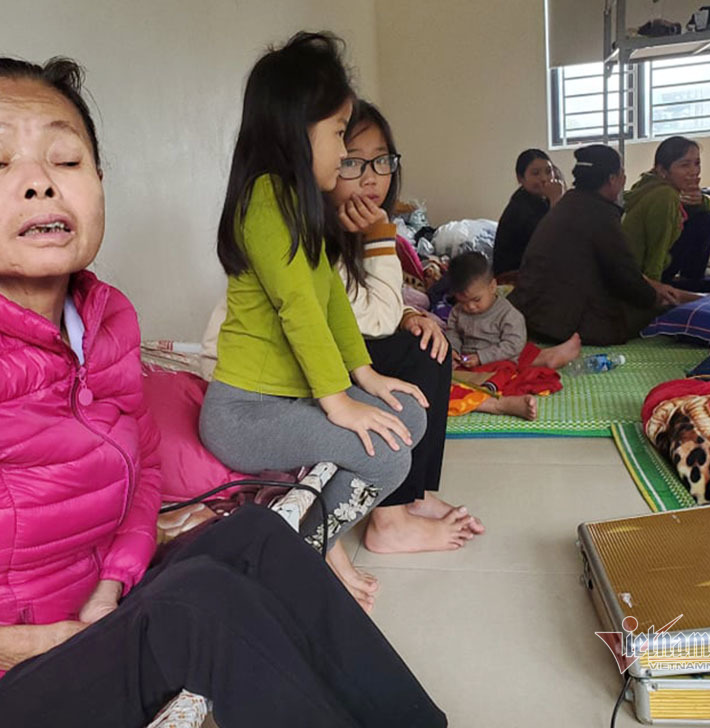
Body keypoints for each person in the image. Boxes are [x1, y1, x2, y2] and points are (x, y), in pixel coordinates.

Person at [0, 47, 447, 728]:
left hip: (73, 632)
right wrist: (10, 644)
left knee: (255, 533)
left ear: (98, 182)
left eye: (67, 158)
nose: (40, 180)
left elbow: (141, 470)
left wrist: (114, 582)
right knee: (198, 607)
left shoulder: (103, 321)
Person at [199, 33, 431, 612]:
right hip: (245, 411)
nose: (343, 151)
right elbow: (297, 310)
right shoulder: (265, 202)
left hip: (291, 399)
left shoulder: (301, 209)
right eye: (336, 134)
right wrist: (339, 400)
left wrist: (367, 378)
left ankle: (309, 530)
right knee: (390, 455)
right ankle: (302, 548)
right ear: (295, 131)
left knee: (408, 413)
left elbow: (328, 302)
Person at [328, 100, 485, 552]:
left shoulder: (366, 222)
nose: (372, 175)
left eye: (382, 160)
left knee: (429, 344)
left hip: (350, 337)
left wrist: (412, 315)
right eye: (354, 162)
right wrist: (380, 240)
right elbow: (364, 317)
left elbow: (378, 305)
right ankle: (389, 519)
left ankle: (413, 494)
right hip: (317, 357)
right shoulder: (325, 229)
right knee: (409, 358)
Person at [509, 145, 673, 346]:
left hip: (530, 315)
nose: (624, 178)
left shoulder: (569, 203)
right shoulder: (599, 213)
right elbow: (624, 275)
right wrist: (654, 298)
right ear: (612, 179)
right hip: (561, 325)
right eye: (621, 173)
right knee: (661, 307)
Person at [445, 252, 580, 421]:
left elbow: (513, 344)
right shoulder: (458, 311)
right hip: (467, 363)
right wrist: (454, 350)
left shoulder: (508, 314)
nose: (470, 307)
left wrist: (482, 357)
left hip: (497, 360)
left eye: (476, 299)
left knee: (512, 363)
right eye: (463, 302)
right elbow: (452, 332)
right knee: (444, 376)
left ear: (492, 286)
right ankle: (546, 358)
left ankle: (545, 360)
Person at [622, 136, 710, 292]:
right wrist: (654, 292)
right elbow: (657, 249)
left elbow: (705, 209)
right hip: (641, 278)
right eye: (684, 165)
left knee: (705, 219)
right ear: (663, 170)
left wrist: (700, 200)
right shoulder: (665, 195)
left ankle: (690, 280)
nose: (693, 171)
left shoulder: (652, 183)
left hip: (650, 270)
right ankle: (689, 282)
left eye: (697, 163)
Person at [492, 149, 565, 279]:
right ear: (521, 178)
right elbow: (550, 241)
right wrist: (556, 201)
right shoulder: (520, 207)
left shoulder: (542, 199)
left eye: (549, 171)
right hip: (513, 275)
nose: (544, 178)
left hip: (535, 268)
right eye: (535, 173)